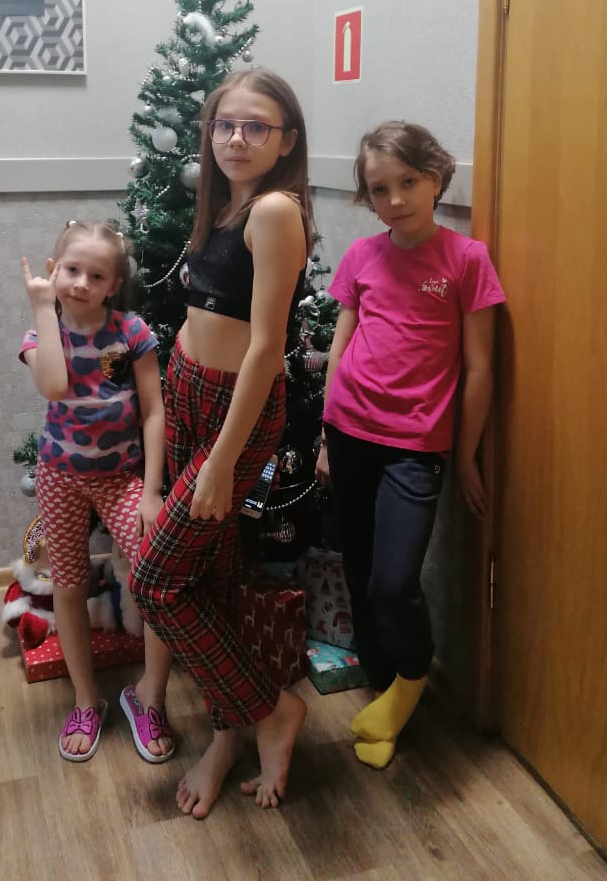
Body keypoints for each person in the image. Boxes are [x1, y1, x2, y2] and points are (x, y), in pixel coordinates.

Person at [129, 68, 311, 820]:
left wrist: (225, 463)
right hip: (192, 390)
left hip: (238, 411)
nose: (237, 138)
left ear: (286, 140)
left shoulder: (275, 209)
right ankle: (229, 735)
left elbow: (267, 347)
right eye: (225, 125)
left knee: (155, 582)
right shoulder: (228, 203)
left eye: (256, 126)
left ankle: (271, 709)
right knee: (210, 577)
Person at [315, 120, 505, 769]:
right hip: (347, 430)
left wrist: (466, 454)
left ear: (437, 177)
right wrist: (324, 435)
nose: (395, 199)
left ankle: (411, 679)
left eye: (409, 182)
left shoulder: (467, 260)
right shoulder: (362, 257)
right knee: (359, 569)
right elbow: (340, 346)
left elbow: (480, 368)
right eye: (379, 189)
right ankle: (380, 686)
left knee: (395, 583)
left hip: (414, 446)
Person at [20, 220, 175, 764]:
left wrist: (151, 492)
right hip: (60, 477)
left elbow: (153, 411)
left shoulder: (131, 331)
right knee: (68, 585)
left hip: (122, 479)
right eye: (71, 270)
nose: (82, 283)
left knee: (157, 576)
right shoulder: (41, 334)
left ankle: (149, 698)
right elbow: (53, 385)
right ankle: (86, 701)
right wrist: (44, 309)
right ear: (52, 271)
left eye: (96, 275)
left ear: (114, 285)